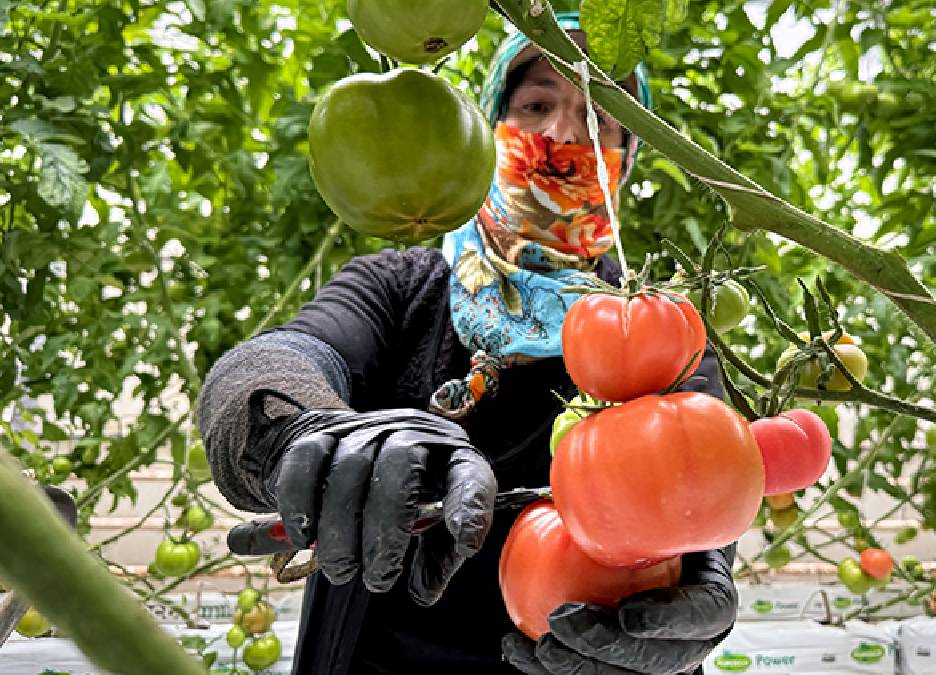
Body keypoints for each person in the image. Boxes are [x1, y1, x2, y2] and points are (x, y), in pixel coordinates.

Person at [196, 13, 738, 674]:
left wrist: (705, 581)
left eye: (600, 118)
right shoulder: (403, 288)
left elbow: (705, 481)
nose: (563, 134)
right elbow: (270, 363)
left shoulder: (659, 328)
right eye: (535, 105)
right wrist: (299, 431)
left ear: (626, 153)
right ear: (489, 128)